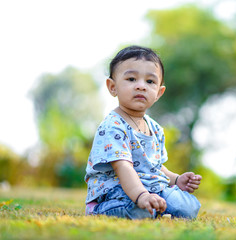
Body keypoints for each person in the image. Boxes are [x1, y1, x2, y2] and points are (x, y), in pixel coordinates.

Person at [84, 45, 202, 219]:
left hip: (151, 187)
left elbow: (155, 167)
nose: (141, 86)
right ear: (112, 87)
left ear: (159, 93)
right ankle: (99, 209)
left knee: (188, 207)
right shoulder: (113, 126)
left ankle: (154, 208)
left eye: (150, 81)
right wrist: (141, 196)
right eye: (131, 79)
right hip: (117, 191)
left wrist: (176, 180)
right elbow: (123, 167)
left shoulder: (155, 128)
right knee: (138, 211)